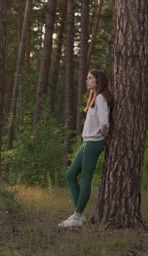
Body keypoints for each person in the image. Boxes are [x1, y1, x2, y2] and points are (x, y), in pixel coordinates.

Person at [58, 69, 112, 228]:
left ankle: (77, 216)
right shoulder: (95, 97)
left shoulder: (101, 97)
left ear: (98, 81)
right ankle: (79, 214)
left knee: (86, 178)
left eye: (90, 78)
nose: (87, 81)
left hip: (94, 142)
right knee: (71, 174)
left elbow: (104, 122)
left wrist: (102, 135)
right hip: (88, 142)